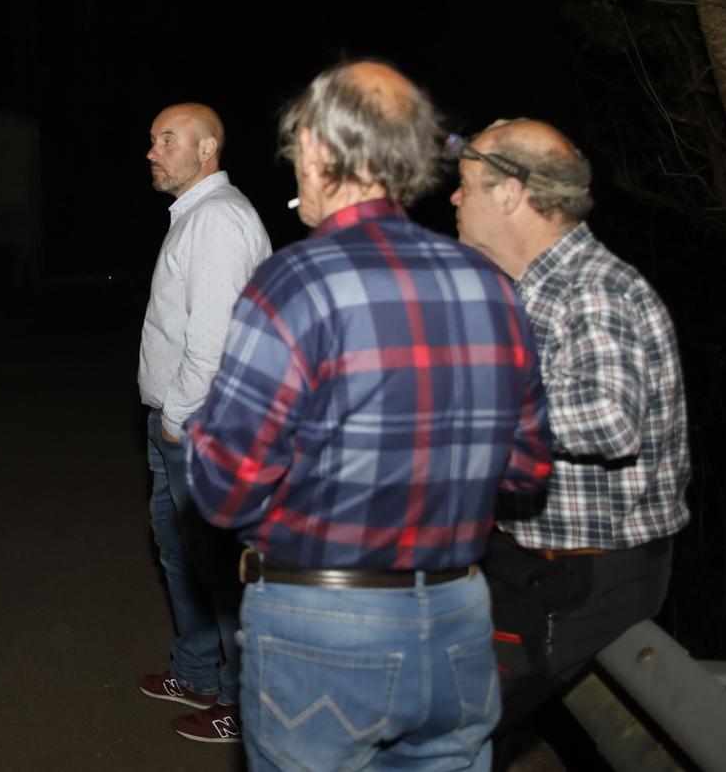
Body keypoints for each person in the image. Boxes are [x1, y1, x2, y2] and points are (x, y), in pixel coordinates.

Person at [185, 61, 551, 772]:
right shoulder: (492, 285)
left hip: (322, 626)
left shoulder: (295, 281)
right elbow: (529, 467)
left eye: (298, 154)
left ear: (320, 150)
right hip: (456, 619)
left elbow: (225, 486)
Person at [449, 118, 690, 734]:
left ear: (511, 194)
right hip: (529, 561)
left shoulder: (593, 289)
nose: (454, 198)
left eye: (467, 184)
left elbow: (611, 418)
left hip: (585, 575)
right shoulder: (529, 289)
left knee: (442, 727)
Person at [134, 102, 272, 745]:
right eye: (154, 139)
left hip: (199, 423)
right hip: (179, 421)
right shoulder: (196, 215)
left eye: (168, 140)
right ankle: (196, 670)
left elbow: (213, 341)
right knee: (183, 555)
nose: (153, 152)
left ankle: (242, 704)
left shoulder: (216, 220)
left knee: (219, 566)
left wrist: (179, 418)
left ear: (207, 148)